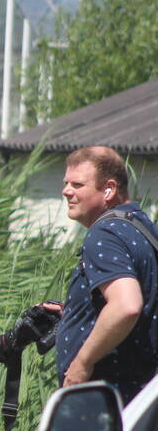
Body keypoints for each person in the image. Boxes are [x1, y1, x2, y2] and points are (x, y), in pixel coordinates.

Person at [51, 146, 158, 402]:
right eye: (66, 183)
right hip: (140, 395)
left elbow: (126, 306)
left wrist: (81, 365)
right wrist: (78, 312)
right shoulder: (142, 226)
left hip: (109, 396)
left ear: (108, 189)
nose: (66, 191)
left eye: (77, 184)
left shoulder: (106, 232)